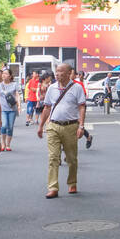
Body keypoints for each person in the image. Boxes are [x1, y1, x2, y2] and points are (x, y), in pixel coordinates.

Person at [37, 63, 87, 198]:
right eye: (56, 71)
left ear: (69, 73)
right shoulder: (51, 88)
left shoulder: (77, 88)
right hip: (53, 126)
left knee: (71, 158)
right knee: (53, 158)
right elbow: (47, 107)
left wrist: (81, 126)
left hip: (70, 126)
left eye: (61, 71)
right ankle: (53, 187)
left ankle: (72, 183)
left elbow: (82, 107)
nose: (57, 74)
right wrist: (41, 125)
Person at [0, 67, 20, 152]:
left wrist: (19, 104)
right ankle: (3, 143)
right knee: (4, 125)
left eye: (6, 74)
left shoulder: (14, 84)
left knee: (10, 127)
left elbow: (17, 94)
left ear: (10, 76)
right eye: (3, 73)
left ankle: (8, 144)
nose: (3, 75)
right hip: (2, 109)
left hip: (12, 109)